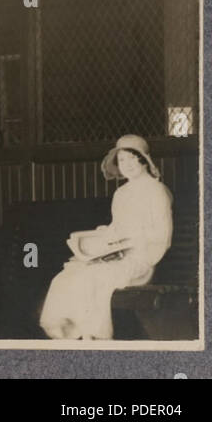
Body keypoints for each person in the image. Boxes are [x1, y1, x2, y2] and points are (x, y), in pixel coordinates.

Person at [39, 134, 173, 341]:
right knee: (68, 276)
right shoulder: (121, 194)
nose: (127, 165)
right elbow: (117, 227)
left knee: (92, 277)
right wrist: (105, 237)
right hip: (116, 257)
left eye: (132, 158)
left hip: (141, 261)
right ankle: (72, 336)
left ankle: (93, 336)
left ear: (144, 160)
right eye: (121, 160)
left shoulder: (156, 191)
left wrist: (129, 245)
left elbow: (162, 236)